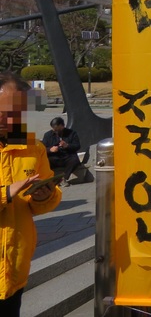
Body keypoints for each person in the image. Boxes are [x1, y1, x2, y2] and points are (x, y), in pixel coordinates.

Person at [0, 72, 62, 315]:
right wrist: (6, 193)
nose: (9, 118)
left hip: (15, 267)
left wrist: (44, 196)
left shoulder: (33, 147)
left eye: (16, 111)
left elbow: (47, 200)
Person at [41, 117, 82, 187]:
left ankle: (64, 178)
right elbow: (42, 149)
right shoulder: (48, 135)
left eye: (58, 129)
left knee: (75, 160)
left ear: (62, 126)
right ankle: (48, 179)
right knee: (45, 161)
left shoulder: (72, 133)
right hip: (54, 157)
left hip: (67, 156)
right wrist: (50, 150)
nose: (56, 131)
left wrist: (67, 145)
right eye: (54, 129)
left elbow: (77, 146)